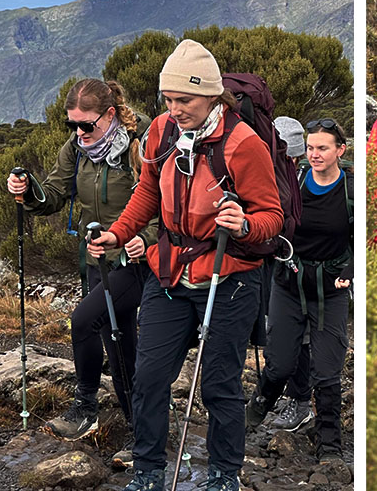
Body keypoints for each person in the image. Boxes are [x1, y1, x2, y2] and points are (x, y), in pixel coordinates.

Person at [88, 39, 283, 491]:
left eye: (185, 100)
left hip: (229, 277)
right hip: (170, 273)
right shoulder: (160, 131)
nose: (175, 109)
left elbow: (271, 216)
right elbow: (147, 193)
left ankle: (222, 476)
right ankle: (148, 473)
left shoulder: (243, 143)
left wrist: (244, 224)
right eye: (169, 99)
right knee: (149, 378)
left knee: (218, 386)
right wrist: (118, 234)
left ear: (212, 95)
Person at [6, 78, 153, 466]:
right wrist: (27, 191)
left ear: (109, 114)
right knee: (119, 344)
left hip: (134, 261)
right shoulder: (77, 148)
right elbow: (54, 194)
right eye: (72, 124)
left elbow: (165, 204)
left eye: (86, 124)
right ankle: (142, 433)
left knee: (83, 321)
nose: (79, 132)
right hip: (95, 260)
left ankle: (87, 408)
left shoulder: (141, 146)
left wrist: (145, 240)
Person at [245, 118, 353, 464]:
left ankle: (330, 445)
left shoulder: (351, 189)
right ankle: (252, 415)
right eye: (310, 148)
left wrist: (349, 273)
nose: (315, 154)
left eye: (323, 148)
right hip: (288, 283)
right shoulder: (295, 182)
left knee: (326, 372)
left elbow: (362, 237)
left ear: (341, 150)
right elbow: (273, 222)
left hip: (330, 290)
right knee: (278, 366)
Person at [269, 115, 314, 432]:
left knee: (300, 338)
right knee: (283, 335)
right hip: (279, 266)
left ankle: (301, 403)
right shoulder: (278, 176)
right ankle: (295, 399)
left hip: (302, 269)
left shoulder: (308, 180)